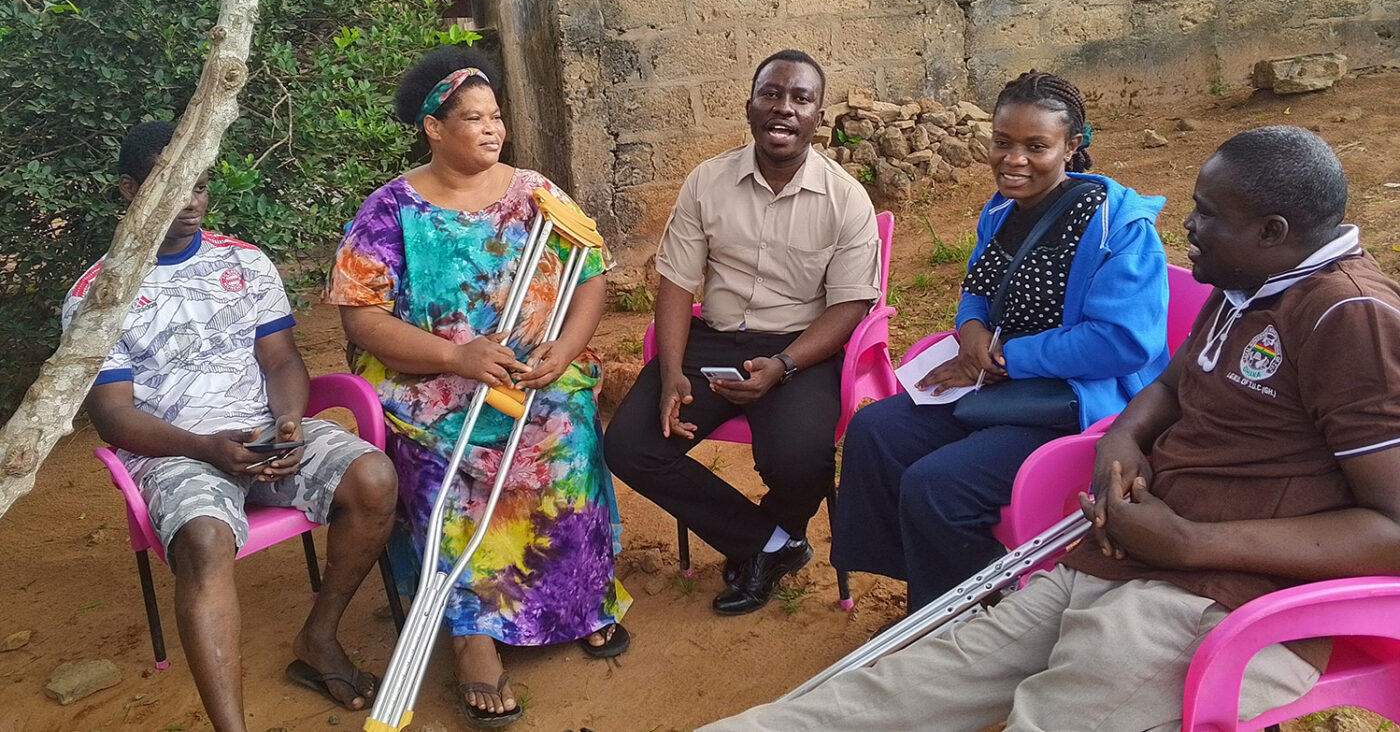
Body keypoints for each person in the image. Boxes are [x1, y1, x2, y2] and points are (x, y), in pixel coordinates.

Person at [701, 125, 1400, 731]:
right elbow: (1168, 383)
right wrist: (1125, 441)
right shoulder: (1249, 282)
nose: (1187, 225)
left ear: (1273, 232)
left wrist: (1191, 544)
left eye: (1208, 214)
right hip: (1125, 555)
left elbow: (1391, 531)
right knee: (897, 689)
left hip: (1215, 603)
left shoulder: (1349, 318)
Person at [324, 47, 630, 728]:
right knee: (446, 458)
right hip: (435, 383)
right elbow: (362, 317)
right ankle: (473, 637)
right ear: (434, 127)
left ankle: (580, 598)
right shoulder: (389, 211)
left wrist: (565, 349)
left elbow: (590, 276)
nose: (493, 130)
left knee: (562, 427)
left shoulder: (538, 195)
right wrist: (456, 359)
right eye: (473, 118)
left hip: (534, 374)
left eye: (496, 117)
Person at [65, 122, 399, 729]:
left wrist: (291, 423)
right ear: (128, 190)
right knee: (204, 539)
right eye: (172, 186)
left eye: (200, 184)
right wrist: (204, 448)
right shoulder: (100, 294)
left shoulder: (245, 264)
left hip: (265, 432)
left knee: (374, 477)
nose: (191, 200)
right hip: (174, 450)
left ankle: (318, 638)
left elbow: (280, 360)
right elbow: (113, 416)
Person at [830, 71, 1171, 611]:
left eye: (1037, 146)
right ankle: (933, 600)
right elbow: (978, 289)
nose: (1014, 160)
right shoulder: (1001, 210)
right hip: (992, 380)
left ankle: (975, 620)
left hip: (1070, 401)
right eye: (1003, 142)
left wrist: (1008, 357)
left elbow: (1123, 342)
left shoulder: (1118, 228)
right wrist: (970, 333)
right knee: (875, 431)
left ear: (1072, 146)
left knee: (937, 484)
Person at [604, 49, 881, 616]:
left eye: (801, 99)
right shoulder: (707, 182)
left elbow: (849, 304)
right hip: (715, 341)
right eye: (771, 94)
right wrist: (673, 371)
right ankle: (768, 543)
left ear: (818, 116)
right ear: (749, 107)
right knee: (630, 447)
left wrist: (785, 366)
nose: (784, 108)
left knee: (800, 460)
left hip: (800, 348)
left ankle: (771, 537)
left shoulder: (846, 198)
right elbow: (678, 284)